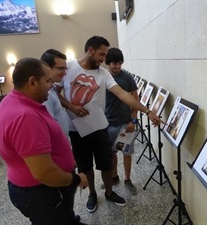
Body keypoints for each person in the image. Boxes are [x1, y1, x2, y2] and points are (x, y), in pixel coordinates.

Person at [55, 35, 162, 213]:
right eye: (102, 54)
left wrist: (147, 111)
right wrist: (71, 106)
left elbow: (123, 94)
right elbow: (54, 93)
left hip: (99, 127)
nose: (104, 59)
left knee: (106, 163)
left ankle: (110, 192)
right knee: (85, 165)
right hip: (77, 130)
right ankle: (92, 193)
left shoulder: (103, 74)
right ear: (90, 50)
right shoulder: (70, 67)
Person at [0, 58, 89, 225]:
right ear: (32, 82)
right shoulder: (25, 117)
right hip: (44, 193)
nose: (52, 85)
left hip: (36, 191)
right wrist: (75, 179)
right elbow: (44, 173)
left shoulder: (11, 100)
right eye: (47, 81)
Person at [105, 47, 138, 195]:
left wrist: (133, 120)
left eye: (119, 63)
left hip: (126, 123)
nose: (117, 67)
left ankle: (128, 179)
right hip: (108, 123)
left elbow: (135, 99)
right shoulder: (104, 77)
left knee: (126, 153)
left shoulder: (127, 77)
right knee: (111, 154)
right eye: (114, 63)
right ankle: (114, 177)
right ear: (108, 63)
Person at [40, 49, 72, 138]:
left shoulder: (52, 89)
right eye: (61, 68)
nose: (65, 73)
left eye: (65, 69)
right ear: (47, 68)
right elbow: (48, 127)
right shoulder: (45, 94)